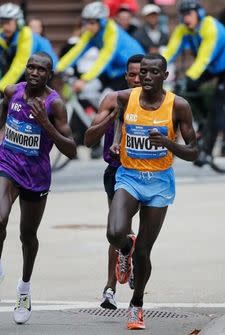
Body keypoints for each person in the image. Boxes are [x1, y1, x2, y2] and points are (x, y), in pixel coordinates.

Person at [0, 52, 76, 324]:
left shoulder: (55, 105)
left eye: (41, 69)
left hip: (36, 174)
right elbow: (3, 105)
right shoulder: (13, 90)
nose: (34, 72)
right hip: (7, 163)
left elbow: (70, 149)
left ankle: (24, 288)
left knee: (27, 236)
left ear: (50, 75)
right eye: (30, 67)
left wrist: (45, 122)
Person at [107, 54, 198, 329]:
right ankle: (125, 248)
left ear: (165, 76)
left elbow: (194, 152)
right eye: (143, 72)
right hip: (130, 176)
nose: (146, 77)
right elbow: (119, 119)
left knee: (144, 253)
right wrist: (115, 141)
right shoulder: (125, 98)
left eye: (153, 72)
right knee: (114, 232)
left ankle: (137, 305)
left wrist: (169, 144)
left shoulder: (178, 106)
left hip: (159, 182)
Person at [84, 53, 143, 310]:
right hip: (117, 172)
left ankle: (131, 266)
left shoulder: (159, 104)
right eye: (133, 74)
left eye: (144, 74)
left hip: (146, 174)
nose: (138, 79)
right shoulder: (112, 99)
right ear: (126, 76)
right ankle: (110, 287)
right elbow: (88, 139)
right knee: (116, 229)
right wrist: (112, 116)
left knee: (131, 231)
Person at [162, 0, 225, 162]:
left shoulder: (209, 26)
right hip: (212, 66)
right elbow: (170, 50)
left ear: (199, 14)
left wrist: (189, 77)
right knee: (186, 89)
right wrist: (155, 66)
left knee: (216, 106)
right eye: (183, 15)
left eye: (189, 14)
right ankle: (202, 122)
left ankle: (208, 152)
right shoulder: (183, 29)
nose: (185, 18)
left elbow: (203, 58)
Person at [56, 1, 144, 94]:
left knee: (106, 97)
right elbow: (76, 51)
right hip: (114, 69)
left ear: (102, 22)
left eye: (92, 22)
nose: (88, 26)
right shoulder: (90, 32)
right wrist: (58, 68)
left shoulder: (111, 32)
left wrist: (84, 80)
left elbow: (104, 59)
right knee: (89, 92)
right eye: (85, 22)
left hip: (129, 70)